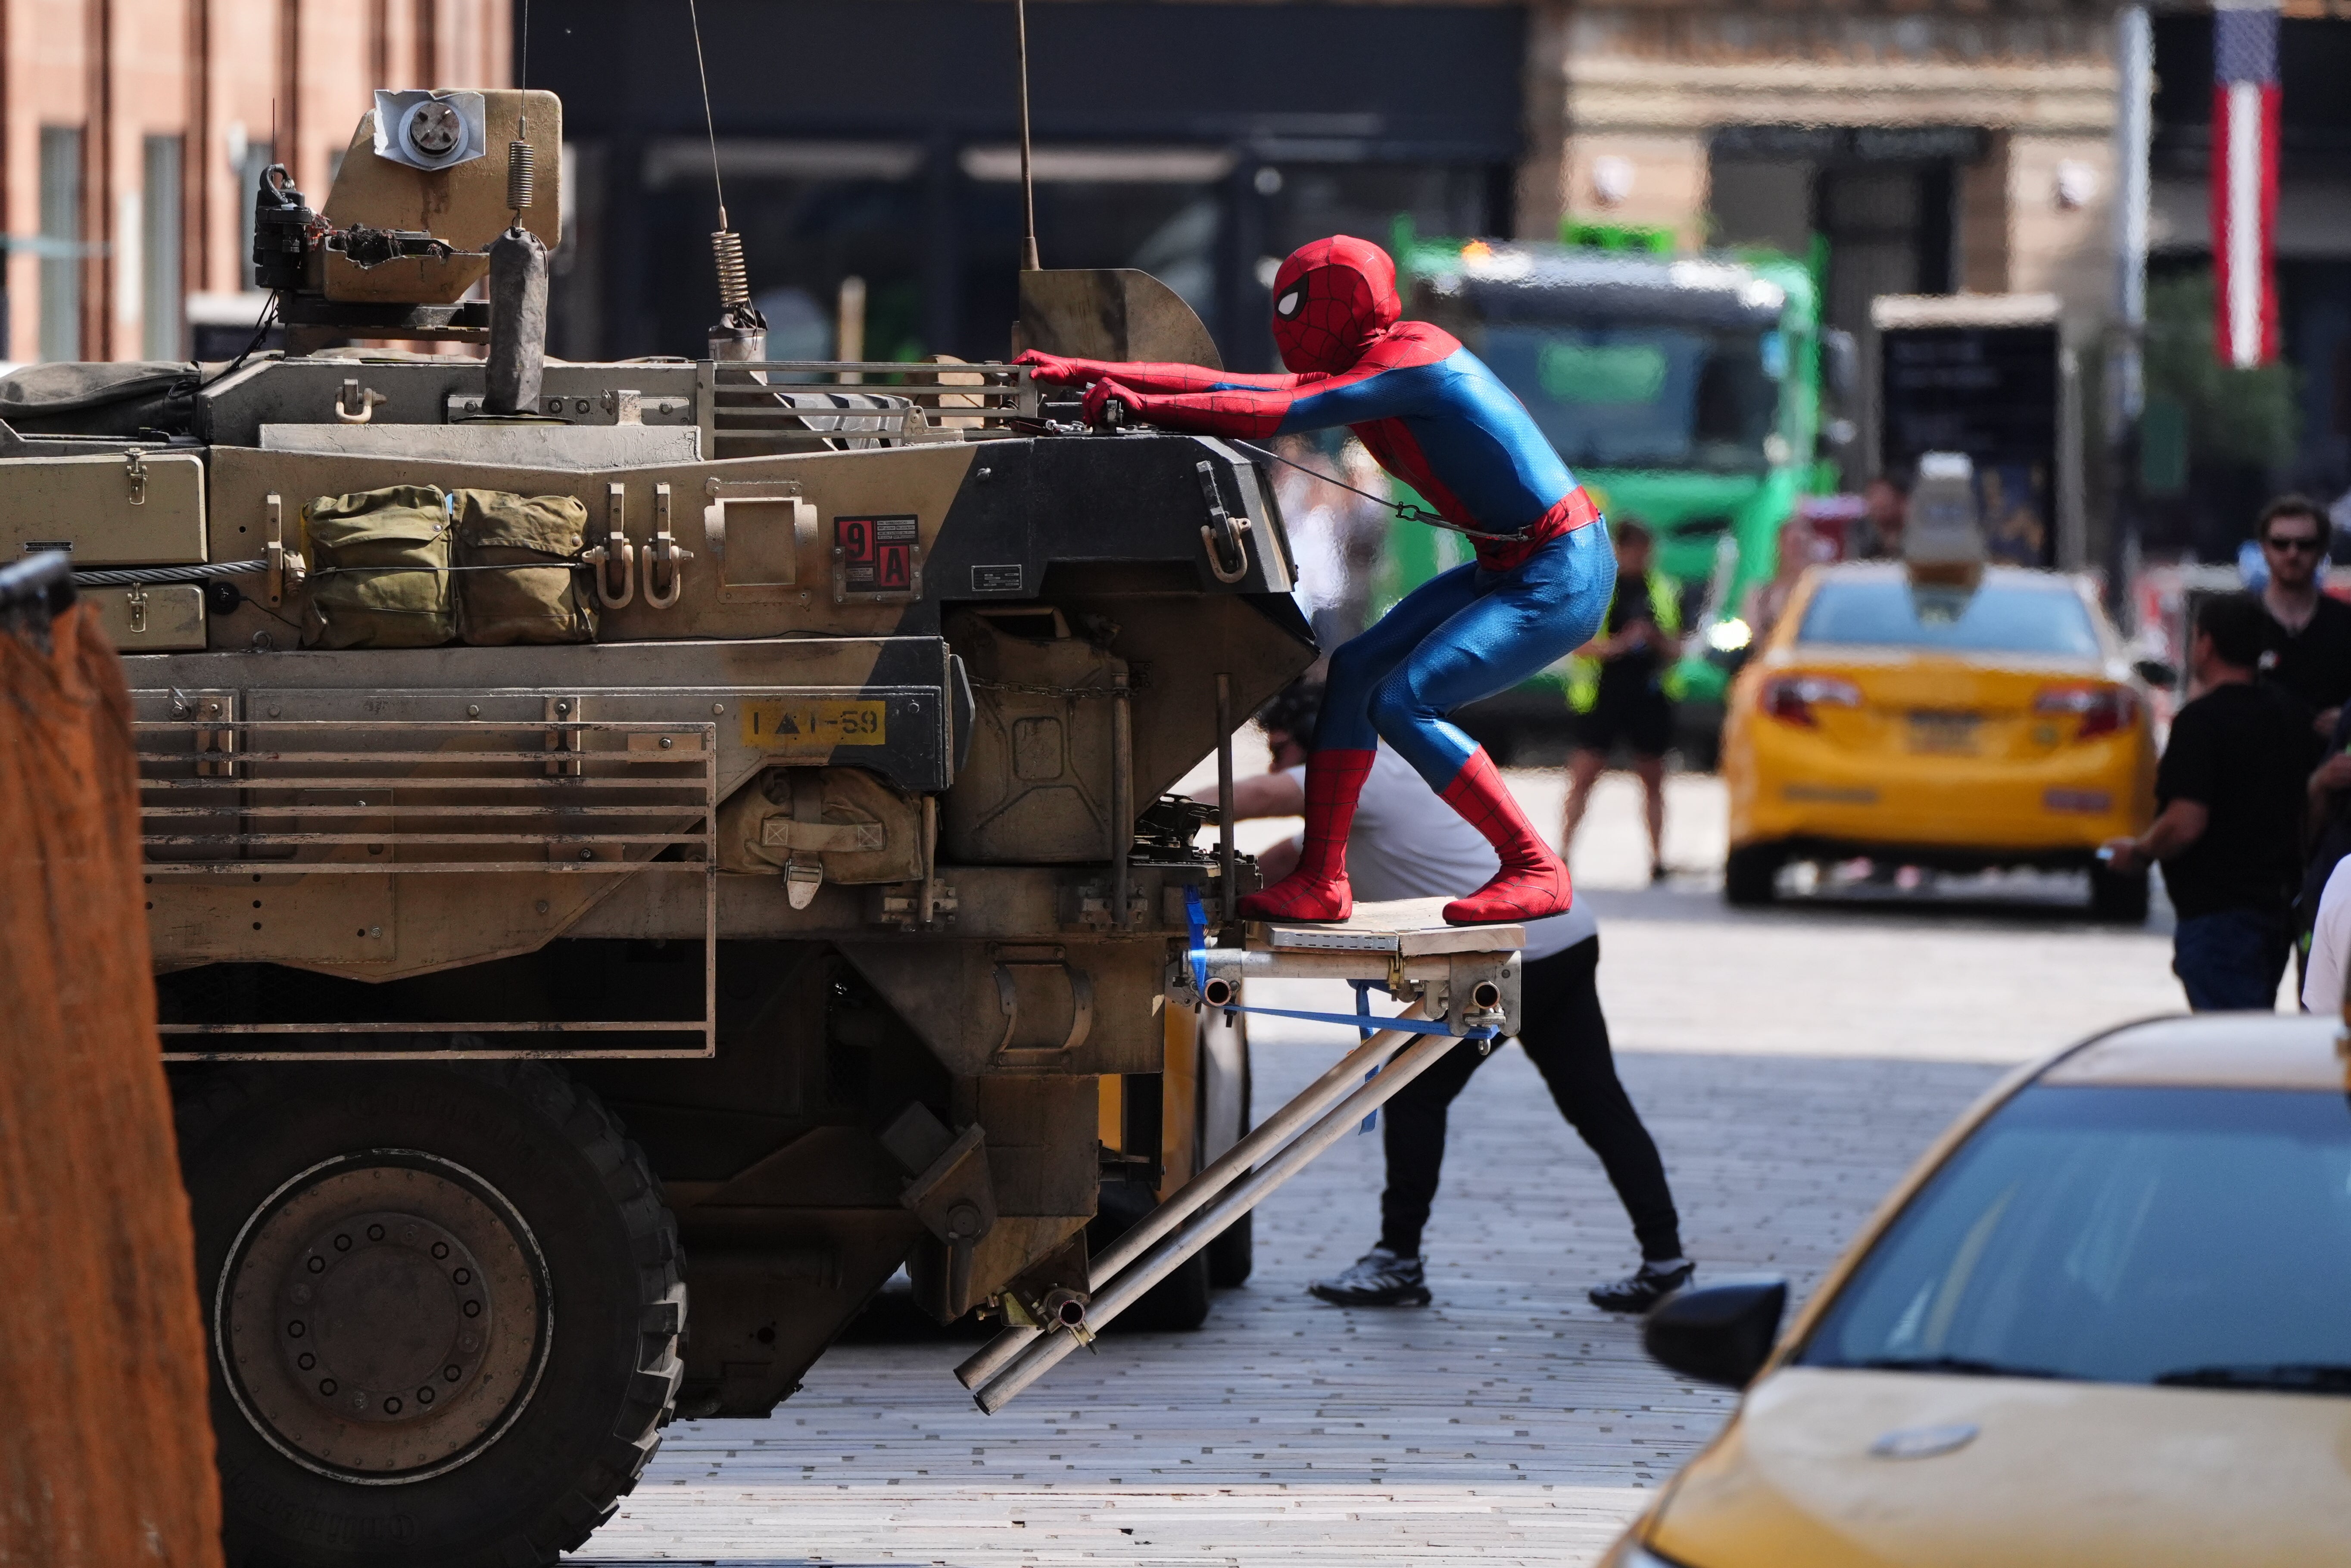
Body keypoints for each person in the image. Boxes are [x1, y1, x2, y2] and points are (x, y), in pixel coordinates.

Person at [1019, 235, 1612, 928]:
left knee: (1403, 702)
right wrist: (1086, 371)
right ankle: (1323, 880)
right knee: (1356, 670)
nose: (1286, 326)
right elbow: (1241, 386)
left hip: (1558, 567)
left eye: (1296, 307)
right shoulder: (1371, 361)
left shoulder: (1414, 362)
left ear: (1341, 307)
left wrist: (1144, 407)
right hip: (1509, 563)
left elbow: (1268, 411)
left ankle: (1535, 865)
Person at [1198, 681, 1693, 1312]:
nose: (1279, 765)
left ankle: (1397, 1261)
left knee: (1414, 1090)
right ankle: (1667, 1260)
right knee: (1596, 1104)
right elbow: (1279, 867)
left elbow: (1259, 797)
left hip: (1513, 953)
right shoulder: (1378, 790)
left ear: (1324, 742)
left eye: (1286, 749)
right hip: (1562, 940)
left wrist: (1149, 809)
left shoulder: (1366, 772)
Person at [2103, 594, 2319, 1011]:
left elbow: (2186, 821)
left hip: (2217, 914)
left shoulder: (2199, 723)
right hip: (2275, 909)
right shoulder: (2290, 715)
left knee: (2232, 1046)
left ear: (2204, 643)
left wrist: (2140, 851)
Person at [1562, 520, 1681, 883]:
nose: (1640, 558)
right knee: (1584, 775)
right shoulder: (1598, 590)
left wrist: (1654, 639)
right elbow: (1579, 646)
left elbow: (1677, 648)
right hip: (1604, 694)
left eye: (1645, 551)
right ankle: (1562, 853)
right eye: (1633, 550)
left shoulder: (1662, 589)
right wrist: (1619, 645)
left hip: (1648, 695)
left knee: (1653, 778)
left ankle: (1659, 859)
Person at [2249, 494, 2351, 741]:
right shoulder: (2239, 622)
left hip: (2330, 766)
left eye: (2305, 545)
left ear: (2322, 550)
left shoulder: (2345, 623)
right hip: (2254, 767)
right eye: (2281, 544)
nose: (2293, 554)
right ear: (2264, 548)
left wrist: (2346, 720)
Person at [1853, 472, 1909, 561]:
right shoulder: (1869, 556)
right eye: (1872, 495)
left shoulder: (1920, 550)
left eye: (1884, 494)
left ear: (1902, 502)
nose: (1877, 502)